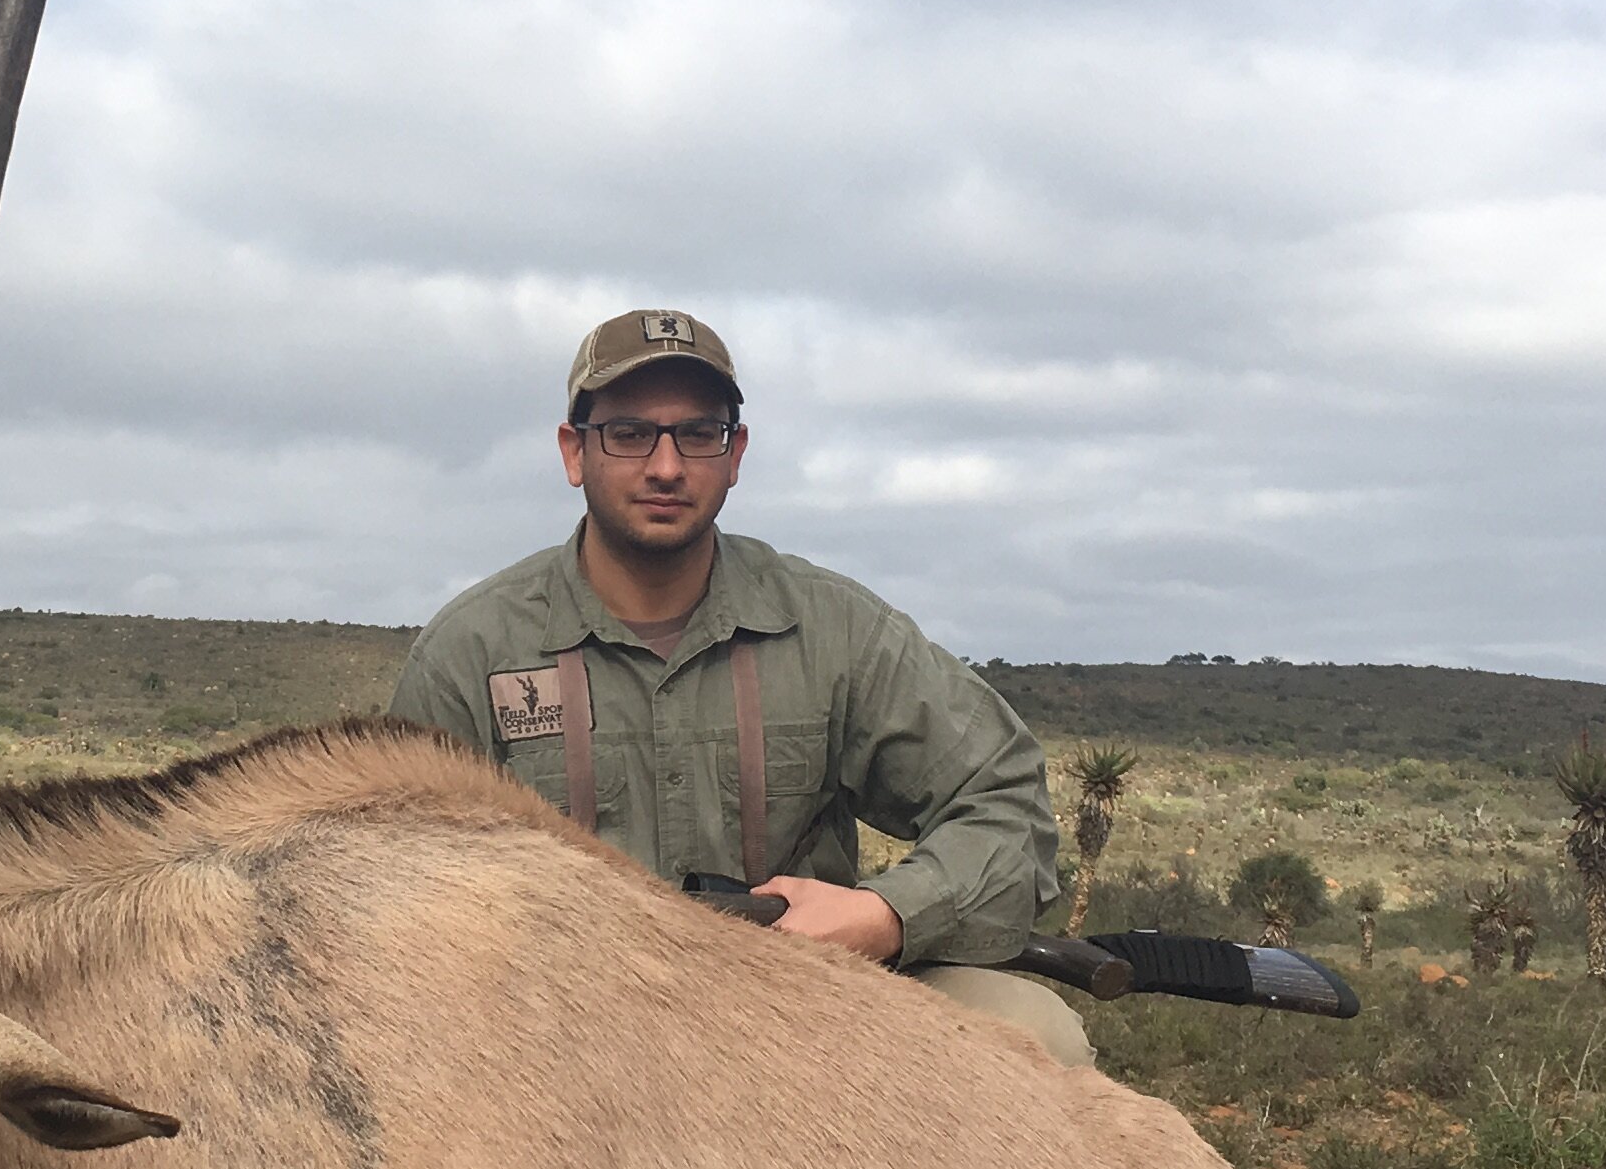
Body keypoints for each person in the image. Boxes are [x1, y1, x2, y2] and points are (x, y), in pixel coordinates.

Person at [388, 306, 1086, 1063]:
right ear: (573, 451)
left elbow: (1006, 799)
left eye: (698, 433)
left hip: (800, 1017)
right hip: (552, 1044)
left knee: (1037, 1035)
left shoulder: (831, 628)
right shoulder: (471, 653)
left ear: (736, 452)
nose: (665, 466)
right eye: (628, 433)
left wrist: (886, 915)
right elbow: (396, 903)